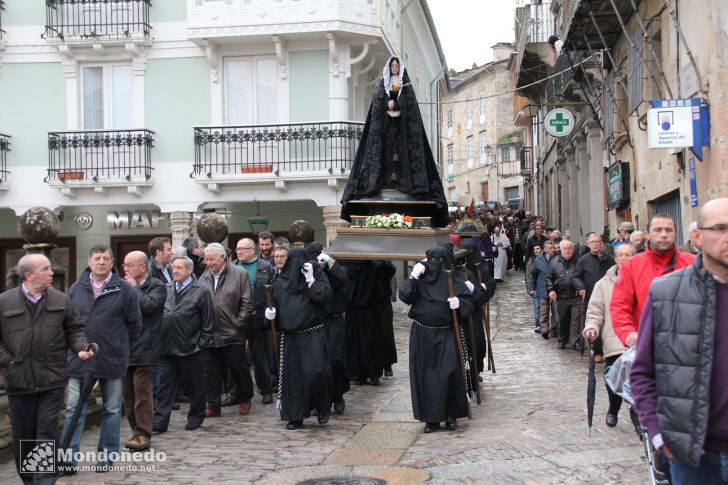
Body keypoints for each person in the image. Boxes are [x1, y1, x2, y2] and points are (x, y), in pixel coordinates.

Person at [631, 198, 728, 481]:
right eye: (720, 228)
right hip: (692, 455)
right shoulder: (667, 292)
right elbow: (642, 372)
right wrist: (659, 434)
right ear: (697, 236)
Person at [1, 254, 91, 484]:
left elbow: (75, 329)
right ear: (29, 275)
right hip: (19, 380)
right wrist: (7, 360)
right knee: (25, 435)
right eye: (46, 269)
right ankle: (30, 478)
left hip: (52, 378)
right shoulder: (4, 301)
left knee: (47, 430)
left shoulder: (61, 300)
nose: (52, 273)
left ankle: (43, 479)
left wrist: (81, 347)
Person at [340, 56, 449, 227]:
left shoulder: (407, 87)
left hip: (402, 134)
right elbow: (375, 110)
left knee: (400, 156)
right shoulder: (381, 87)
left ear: (400, 68)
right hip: (384, 132)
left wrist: (398, 105)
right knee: (384, 155)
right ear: (389, 68)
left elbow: (411, 111)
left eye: (397, 65)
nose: (395, 67)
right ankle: (381, 181)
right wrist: (386, 105)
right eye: (393, 65)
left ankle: (401, 180)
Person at [61, 245, 141, 473]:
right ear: (89, 261)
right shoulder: (76, 289)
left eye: (106, 258)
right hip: (80, 358)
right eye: (97, 258)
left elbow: (135, 326)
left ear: (112, 262)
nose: (101, 262)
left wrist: (121, 347)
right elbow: (68, 324)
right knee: (74, 410)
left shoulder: (124, 290)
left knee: (112, 409)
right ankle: (68, 458)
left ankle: (106, 456)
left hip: (112, 358)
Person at [399, 246, 474, 433]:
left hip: (447, 332)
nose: (436, 265)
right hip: (423, 334)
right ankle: (431, 419)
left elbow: (470, 303)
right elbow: (404, 295)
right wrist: (413, 277)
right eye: (432, 261)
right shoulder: (421, 278)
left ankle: (450, 415)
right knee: (426, 376)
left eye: (439, 261)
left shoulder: (452, 277)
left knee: (450, 372)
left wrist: (460, 304)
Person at [267, 248, 333, 430]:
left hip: (312, 333)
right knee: (293, 379)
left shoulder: (315, 276)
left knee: (316, 372)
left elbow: (326, 298)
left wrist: (311, 281)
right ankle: (295, 416)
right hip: (290, 337)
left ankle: (321, 407)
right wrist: (271, 314)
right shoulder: (281, 282)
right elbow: (276, 304)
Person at [610, 213, 695, 347]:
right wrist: (626, 332)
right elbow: (620, 304)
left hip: (687, 346)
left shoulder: (692, 263)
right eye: (657, 230)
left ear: (675, 233)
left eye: (668, 230)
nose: (663, 234)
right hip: (646, 345)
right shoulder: (632, 265)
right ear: (647, 234)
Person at [154, 256, 214, 433]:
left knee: (194, 385)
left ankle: (196, 416)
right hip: (166, 347)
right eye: (174, 268)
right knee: (165, 387)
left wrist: (200, 344)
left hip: (191, 348)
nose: (175, 271)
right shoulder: (166, 288)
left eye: (180, 268)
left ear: (189, 270)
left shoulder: (200, 291)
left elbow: (208, 322)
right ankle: (160, 422)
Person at [198, 243, 256, 417]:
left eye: (212, 259)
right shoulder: (204, 277)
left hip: (232, 331)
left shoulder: (239, 274)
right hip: (210, 331)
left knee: (239, 369)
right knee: (212, 372)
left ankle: (245, 397)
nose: (209, 263)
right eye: (206, 259)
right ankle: (213, 404)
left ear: (223, 257)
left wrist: (238, 323)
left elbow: (247, 303)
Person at [583, 244, 634, 428]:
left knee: (639, 381)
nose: (624, 258)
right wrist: (591, 328)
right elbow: (595, 311)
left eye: (628, 255)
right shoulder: (603, 284)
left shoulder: (643, 279)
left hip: (639, 340)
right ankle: (613, 408)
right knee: (613, 377)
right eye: (621, 255)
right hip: (615, 340)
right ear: (615, 258)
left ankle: (638, 417)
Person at [121, 251, 166, 451]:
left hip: (146, 348)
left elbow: (150, 307)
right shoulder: (122, 285)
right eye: (124, 265)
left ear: (143, 267)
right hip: (125, 348)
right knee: (127, 395)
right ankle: (135, 430)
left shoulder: (156, 285)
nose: (125, 269)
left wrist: (135, 289)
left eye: (129, 265)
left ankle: (143, 434)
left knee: (142, 393)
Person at [304, 243, 349, 413]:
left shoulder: (331, 268)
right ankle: (321, 400)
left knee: (336, 360)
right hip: (316, 322)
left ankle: (337, 395)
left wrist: (330, 264)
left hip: (334, 321)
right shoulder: (308, 270)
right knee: (318, 364)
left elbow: (342, 280)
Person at [234, 238, 275, 405]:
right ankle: (237, 391)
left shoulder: (265, 267)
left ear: (253, 250)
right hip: (236, 318)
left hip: (257, 317)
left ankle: (265, 389)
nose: (240, 252)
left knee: (259, 357)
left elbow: (273, 290)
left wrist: (269, 311)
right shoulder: (233, 267)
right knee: (236, 357)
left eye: (243, 248)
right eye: (238, 249)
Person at [546, 240, 581, 350]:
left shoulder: (579, 262)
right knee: (561, 320)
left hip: (576, 296)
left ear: (573, 249)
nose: (567, 251)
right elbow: (548, 278)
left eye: (569, 248)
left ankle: (575, 341)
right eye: (564, 249)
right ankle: (562, 339)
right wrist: (551, 290)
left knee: (576, 319)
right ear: (560, 250)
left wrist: (581, 287)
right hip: (560, 296)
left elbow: (583, 276)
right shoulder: (554, 262)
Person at [526, 244, 543, 332]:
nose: (536, 251)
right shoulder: (531, 261)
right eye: (534, 249)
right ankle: (538, 325)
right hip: (535, 288)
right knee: (537, 307)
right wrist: (530, 288)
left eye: (537, 249)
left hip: (544, 287)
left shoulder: (545, 259)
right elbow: (529, 275)